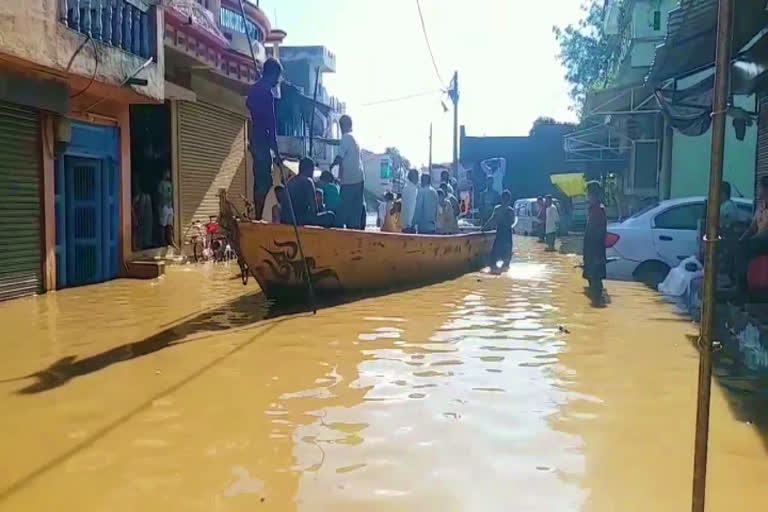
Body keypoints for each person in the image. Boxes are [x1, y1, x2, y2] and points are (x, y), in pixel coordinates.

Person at [246, 57, 283, 220]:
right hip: (262, 140)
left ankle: (259, 214)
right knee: (264, 181)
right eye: (277, 77)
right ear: (273, 74)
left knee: (259, 179)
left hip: (255, 138)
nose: (278, 81)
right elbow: (271, 123)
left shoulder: (255, 89)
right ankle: (260, 216)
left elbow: (249, 104)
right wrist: (276, 150)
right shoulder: (266, 93)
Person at [331, 115, 365, 229]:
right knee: (355, 212)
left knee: (342, 212)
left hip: (350, 181)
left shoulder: (346, 137)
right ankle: (355, 233)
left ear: (342, 126)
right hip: (359, 179)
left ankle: (339, 236)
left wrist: (331, 166)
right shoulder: (356, 139)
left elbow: (339, 157)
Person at [736, 175, 768, 292]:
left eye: (759, 187)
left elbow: (765, 232)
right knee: (737, 246)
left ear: (766, 189)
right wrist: (741, 239)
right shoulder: (761, 206)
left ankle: (743, 288)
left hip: (764, 240)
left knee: (745, 248)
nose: (757, 191)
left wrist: (751, 240)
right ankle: (736, 282)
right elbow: (752, 227)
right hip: (759, 241)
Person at [283, 157, 335, 227]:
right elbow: (314, 211)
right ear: (309, 169)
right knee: (330, 216)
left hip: (286, 219)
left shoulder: (290, 181)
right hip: (300, 220)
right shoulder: (308, 181)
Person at [583, 181, 607, 306]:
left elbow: (597, 235)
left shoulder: (599, 210)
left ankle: (597, 302)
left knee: (595, 282)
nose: (586, 196)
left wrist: (594, 257)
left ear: (593, 195)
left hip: (595, 254)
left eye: (588, 193)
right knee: (592, 281)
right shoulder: (593, 209)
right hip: (591, 254)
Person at [483, 190, 516, 269]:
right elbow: (513, 222)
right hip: (507, 233)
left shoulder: (498, 209)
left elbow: (493, 220)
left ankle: (495, 266)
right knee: (506, 257)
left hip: (501, 233)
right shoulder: (511, 211)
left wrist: (484, 228)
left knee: (495, 256)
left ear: (502, 199)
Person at [157, 170, 174, 247]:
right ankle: (162, 241)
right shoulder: (161, 184)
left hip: (169, 206)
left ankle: (170, 240)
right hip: (164, 206)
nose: (168, 174)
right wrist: (162, 204)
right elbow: (159, 195)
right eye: (167, 173)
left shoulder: (170, 184)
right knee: (163, 224)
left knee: (169, 224)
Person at [401, 168, 420, 233]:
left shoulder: (405, 188)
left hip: (404, 223)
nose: (418, 179)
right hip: (410, 225)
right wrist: (411, 223)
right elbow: (412, 207)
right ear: (413, 177)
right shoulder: (413, 189)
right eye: (417, 176)